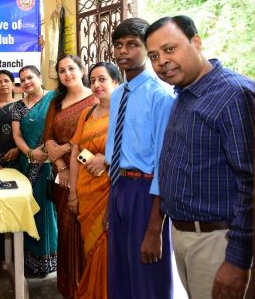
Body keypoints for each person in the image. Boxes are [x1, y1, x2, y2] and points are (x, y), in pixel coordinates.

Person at [144, 15, 255, 299]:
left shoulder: (233, 95)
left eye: (170, 49)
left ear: (196, 42)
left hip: (218, 241)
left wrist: (237, 260)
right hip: (184, 235)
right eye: (154, 56)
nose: (162, 62)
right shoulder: (185, 94)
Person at [105, 18, 175, 299]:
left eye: (132, 45)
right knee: (120, 271)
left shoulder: (161, 96)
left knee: (147, 275)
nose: (123, 51)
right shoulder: (118, 94)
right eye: (119, 45)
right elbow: (117, 151)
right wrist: (111, 203)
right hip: (119, 187)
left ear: (147, 49)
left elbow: (163, 163)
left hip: (146, 193)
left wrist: (155, 227)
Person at [43, 55, 98, 298]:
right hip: (62, 176)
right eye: (62, 70)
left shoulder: (96, 98)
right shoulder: (56, 102)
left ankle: (90, 286)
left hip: (90, 171)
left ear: (81, 69)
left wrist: (67, 149)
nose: (67, 74)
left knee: (89, 230)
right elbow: (48, 139)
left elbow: (94, 143)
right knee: (65, 230)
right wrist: (61, 166)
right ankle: (69, 287)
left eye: (71, 68)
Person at [68, 62, 122, 299]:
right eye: (93, 80)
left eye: (103, 79)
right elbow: (75, 152)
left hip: (110, 190)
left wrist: (108, 159)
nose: (97, 85)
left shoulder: (124, 114)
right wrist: (72, 193)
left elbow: (136, 150)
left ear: (116, 82)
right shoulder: (87, 113)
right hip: (85, 191)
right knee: (90, 246)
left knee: (107, 246)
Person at [11, 65, 58, 277]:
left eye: (30, 77)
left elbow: (61, 128)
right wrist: (31, 153)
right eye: (22, 79)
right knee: (30, 211)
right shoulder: (17, 107)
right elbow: (17, 136)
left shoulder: (56, 99)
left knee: (48, 211)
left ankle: (51, 259)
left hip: (51, 163)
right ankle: (30, 260)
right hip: (27, 163)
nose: (27, 82)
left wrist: (47, 151)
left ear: (39, 77)